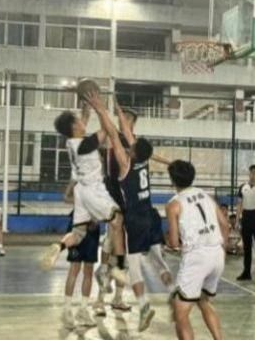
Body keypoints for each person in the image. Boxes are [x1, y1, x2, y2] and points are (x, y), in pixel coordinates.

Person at [86, 93, 161, 332]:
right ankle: (104, 298)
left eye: (127, 119)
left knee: (118, 257)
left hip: (126, 213)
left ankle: (115, 295)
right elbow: (114, 130)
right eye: (123, 118)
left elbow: (112, 129)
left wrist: (100, 108)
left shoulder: (128, 154)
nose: (124, 122)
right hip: (132, 212)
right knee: (119, 258)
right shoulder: (137, 150)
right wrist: (113, 111)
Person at [40, 100, 126, 287]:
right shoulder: (86, 144)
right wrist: (100, 109)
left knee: (77, 234)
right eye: (78, 120)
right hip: (93, 190)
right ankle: (118, 268)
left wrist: (86, 110)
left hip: (80, 191)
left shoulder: (71, 142)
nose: (82, 121)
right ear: (74, 126)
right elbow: (107, 129)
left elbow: (82, 124)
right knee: (118, 221)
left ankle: (59, 246)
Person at [166, 160, 229, 341]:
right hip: (217, 254)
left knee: (180, 314)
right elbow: (225, 225)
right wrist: (222, 250)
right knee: (203, 301)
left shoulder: (174, 204)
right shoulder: (205, 195)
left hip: (197, 258)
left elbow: (173, 243)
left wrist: (170, 242)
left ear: (172, 180)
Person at [61, 182, 99, 330]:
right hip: (77, 226)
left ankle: (83, 310)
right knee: (74, 269)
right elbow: (66, 198)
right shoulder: (79, 179)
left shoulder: (99, 183)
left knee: (88, 271)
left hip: (92, 230)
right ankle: (67, 310)